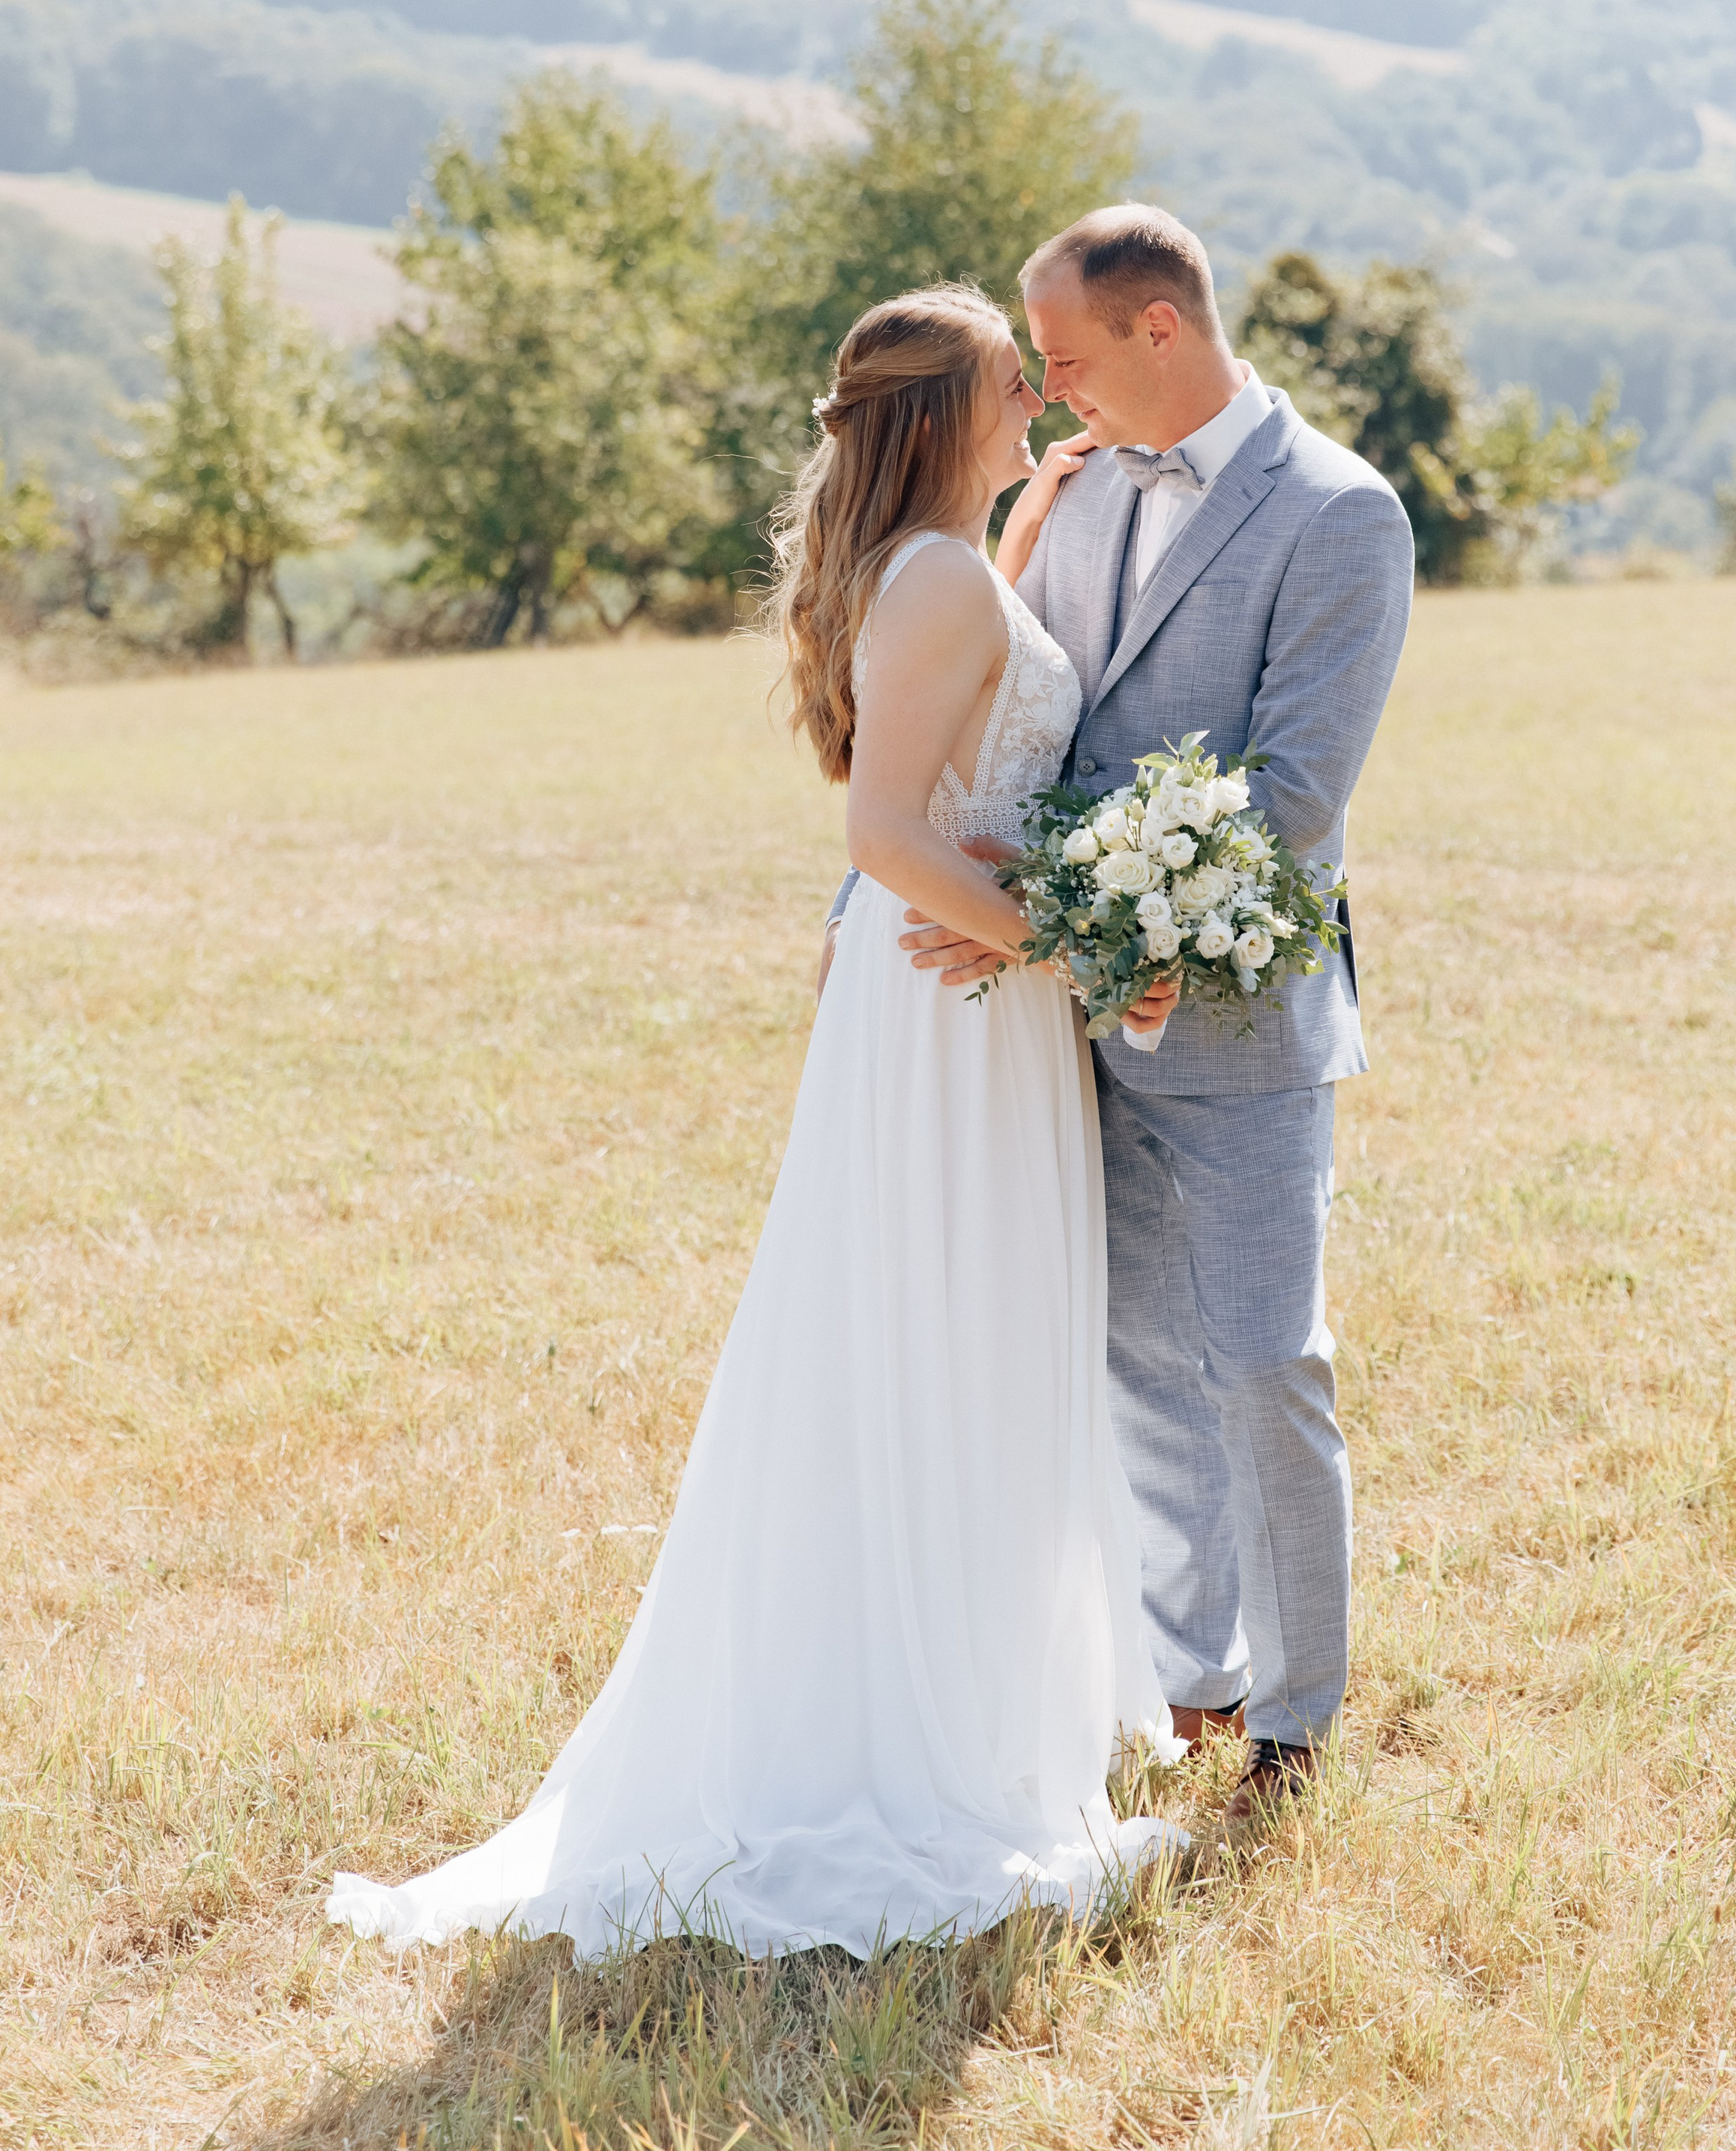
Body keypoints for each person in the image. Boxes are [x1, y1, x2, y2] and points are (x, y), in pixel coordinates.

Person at [328, 282, 1176, 1964]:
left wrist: (1027, 534)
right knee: (943, 1332)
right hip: (955, 1006)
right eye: (1011, 385)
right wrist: (1083, 952)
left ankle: (976, 1680)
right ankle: (909, 1728)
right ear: (943, 416)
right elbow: (887, 836)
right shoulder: (934, 581)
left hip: (970, 1000)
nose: (1036, 401)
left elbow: (972, 742)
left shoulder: (946, 569)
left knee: (967, 1331)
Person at [867, 208, 1414, 1821]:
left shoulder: (1340, 514)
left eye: (1065, 355)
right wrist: (1000, 931)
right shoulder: (1078, 490)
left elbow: (1292, 802)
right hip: (1062, 1032)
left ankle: (1295, 1724)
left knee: (1262, 1362)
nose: (1047, 389)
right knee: (1136, 1367)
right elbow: (1018, 736)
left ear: (1158, 327)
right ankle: (1196, 1677)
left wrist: (1065, 927)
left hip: (1241, 1023)